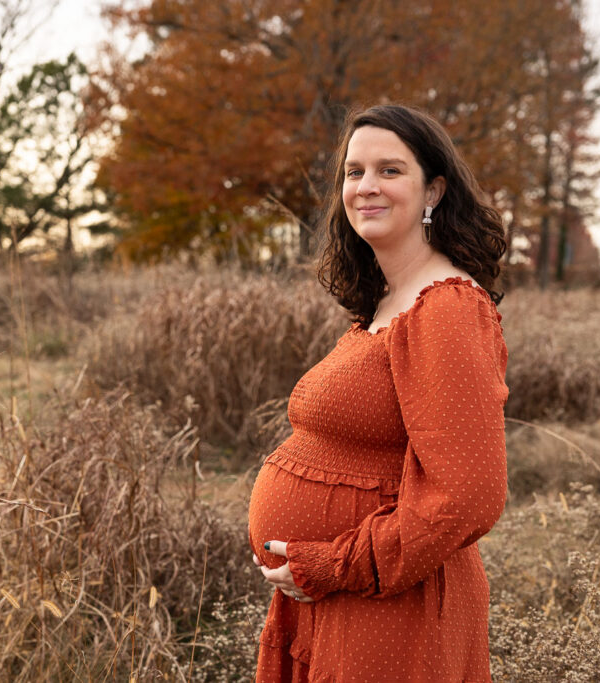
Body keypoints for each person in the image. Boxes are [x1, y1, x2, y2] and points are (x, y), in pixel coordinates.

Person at [247, 104, 510, 682]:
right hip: (339, 599)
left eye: (390, 171)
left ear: (433, 191)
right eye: (353, 171)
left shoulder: (447, 307)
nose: (366, 187)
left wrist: (334, 564)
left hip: (392, 609)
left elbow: (469, 495)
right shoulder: (389, 305)